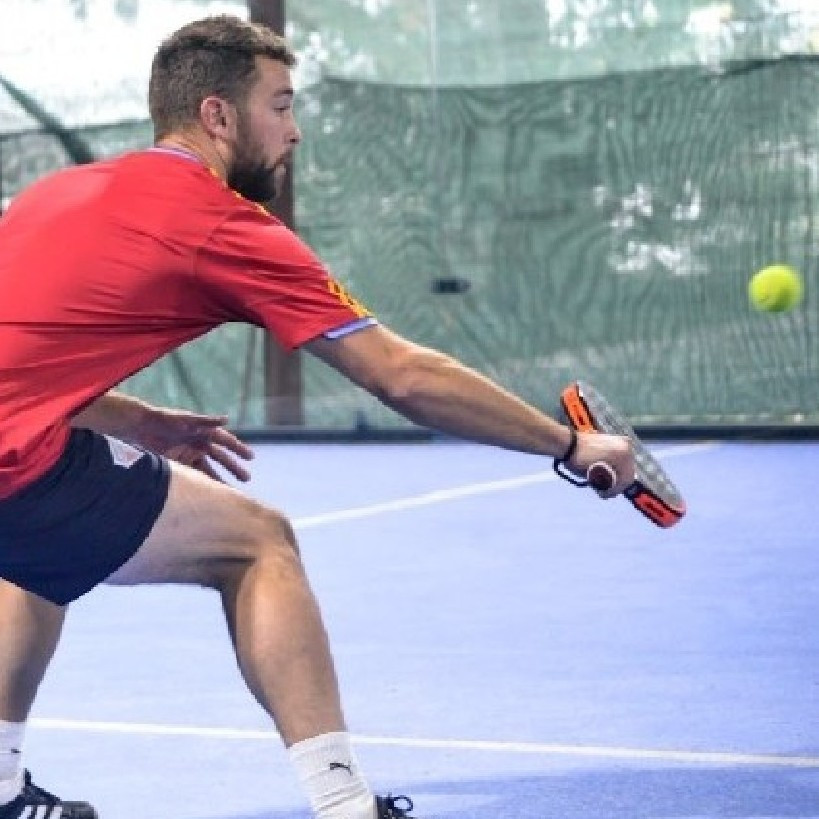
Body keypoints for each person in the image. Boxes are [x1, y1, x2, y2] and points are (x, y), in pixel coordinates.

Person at [0, 14, 635, 819]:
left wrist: (133, 419)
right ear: (217, 116)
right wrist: (569, 443)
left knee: (37, 552)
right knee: (257, 542)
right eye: (281, 106)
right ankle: (344, 805)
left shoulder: (61, 191)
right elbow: (401, 375)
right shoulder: (220, 223)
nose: (294, 131)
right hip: (13, 467)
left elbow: (20, 357)